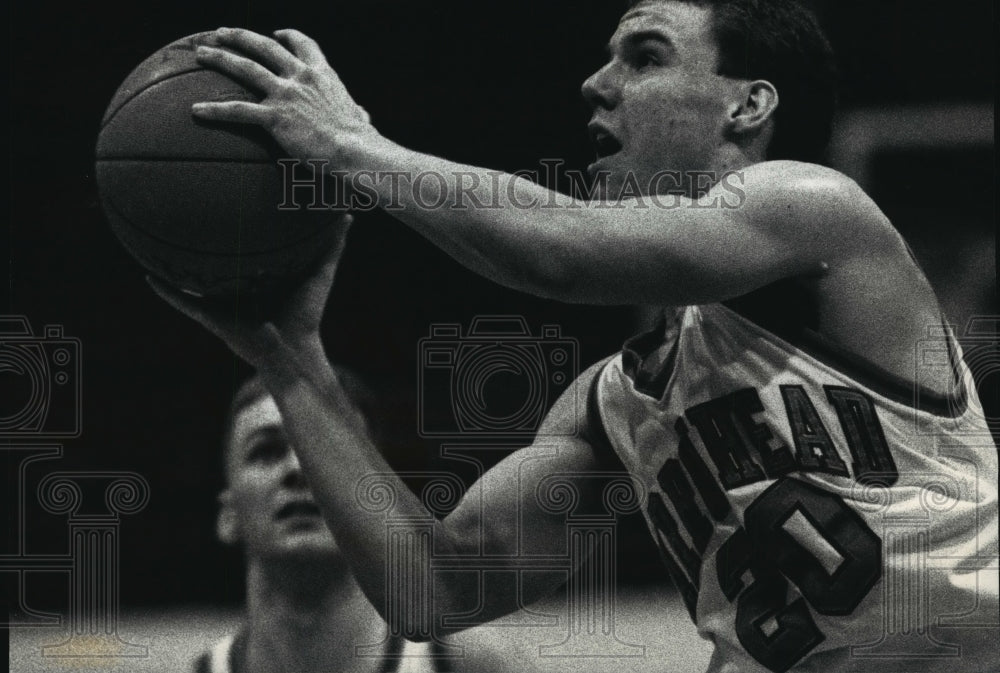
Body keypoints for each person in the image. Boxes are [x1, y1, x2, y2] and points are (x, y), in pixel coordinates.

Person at [152, 1, 998, 671]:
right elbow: (433, 585)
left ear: (749, 102)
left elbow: (558, 254)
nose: (597, 83)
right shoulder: (617, 402)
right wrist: (291, 357)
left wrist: (353, 148)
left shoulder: (815, 209)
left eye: (645, 55)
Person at [194, 374, 446, 673]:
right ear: (229, 514)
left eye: (327, 451)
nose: (298, 468)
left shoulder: (473, 664)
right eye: (266, 450)